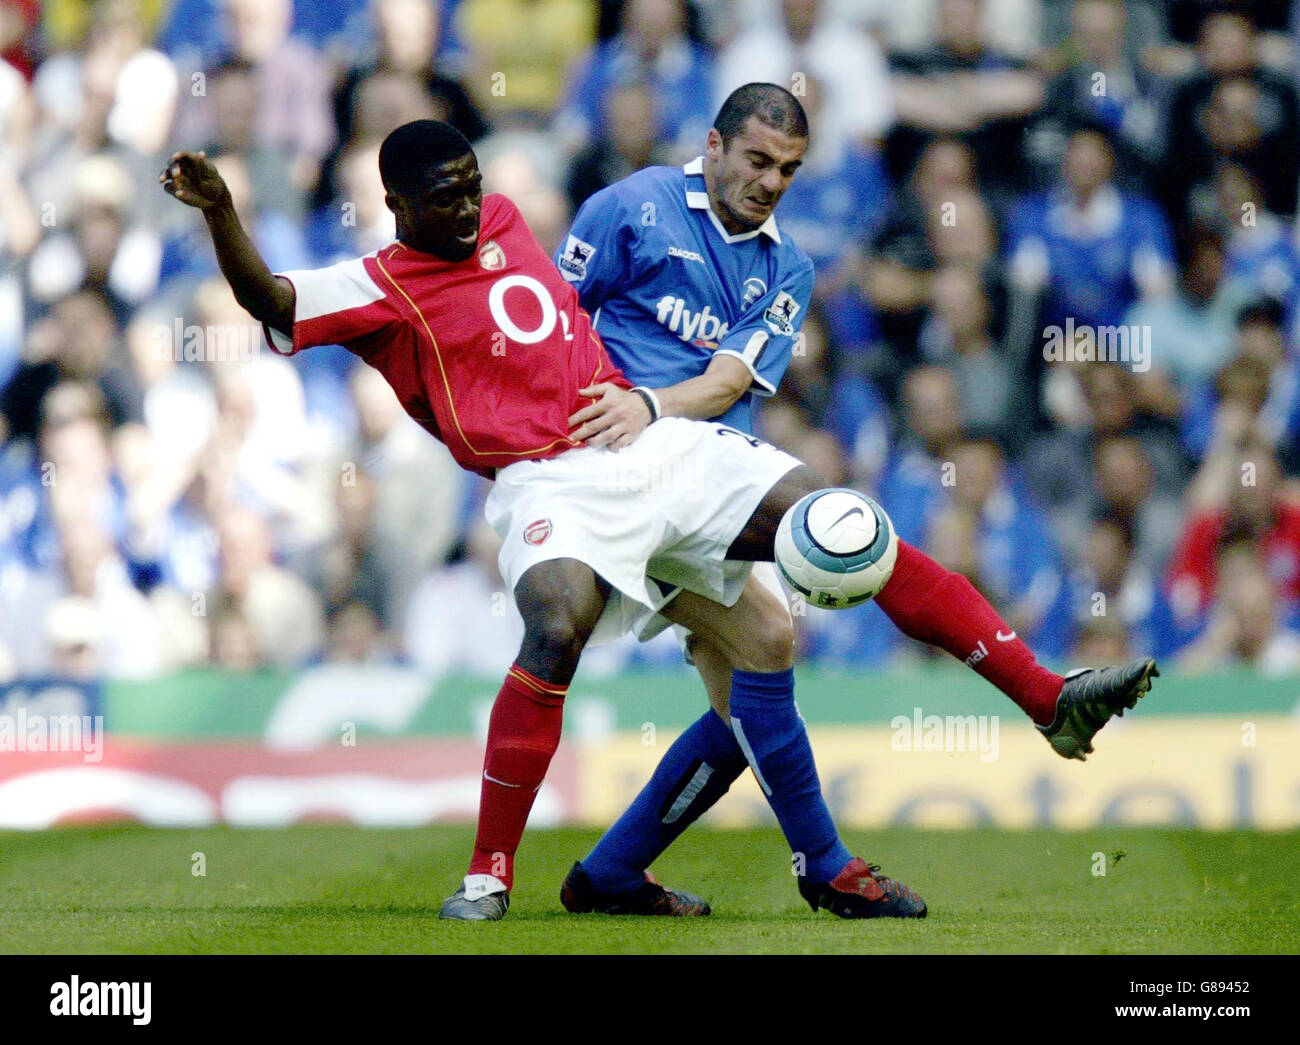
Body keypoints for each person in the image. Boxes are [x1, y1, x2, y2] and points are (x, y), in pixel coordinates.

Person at [161, 118, 1152, 925]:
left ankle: (1039, 698)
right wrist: (222, 214)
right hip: (550, 482)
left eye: (472, 185)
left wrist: (647, 401)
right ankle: (487, 874)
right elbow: (270, 296)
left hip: (657, 443)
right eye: (444, 196)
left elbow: (630, 341)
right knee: (557, 622)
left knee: (828, 549)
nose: (467, 206)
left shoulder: (526, 219)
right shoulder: (385, 282)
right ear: (397, 207)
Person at [555, 84, 1158, 917]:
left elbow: (731, 377)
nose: (770, 181)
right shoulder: (629, 208)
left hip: (696, 465)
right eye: (758, 160)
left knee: (759, 661)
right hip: (618, 475)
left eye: (789, 170)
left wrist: (657, 405)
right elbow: (549, 330)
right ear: (715, 144)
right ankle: (1021, 713)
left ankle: (615, 871)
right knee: (845, 531)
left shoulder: (786, 266)